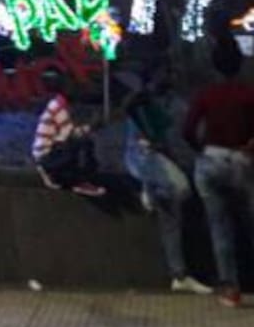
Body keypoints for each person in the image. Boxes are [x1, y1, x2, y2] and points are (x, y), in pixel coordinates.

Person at [120, 69, 211, 294]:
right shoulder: (156, 105)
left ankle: (178, 274)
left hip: (153, 163)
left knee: (171, 218)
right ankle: (152, 191)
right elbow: (167, 141)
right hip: (154, 163)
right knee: (179, 191)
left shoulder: (145, 103)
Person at [183, 40, 254, 308]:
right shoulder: (248, 94)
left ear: (214, 65)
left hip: (211, 160)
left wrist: (201, 148)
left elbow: (188, 129)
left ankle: (230, 288)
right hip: (240, 161)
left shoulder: (207, 95)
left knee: (219, 227)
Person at [31, 72, 107, 197]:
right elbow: (72, 134)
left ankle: (61, 176)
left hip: (45, 154)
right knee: (83, 143)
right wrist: (94, 124)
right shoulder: (59, 108)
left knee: (82, 143)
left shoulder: (57, 103)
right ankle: (78, 182)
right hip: (47, 156)